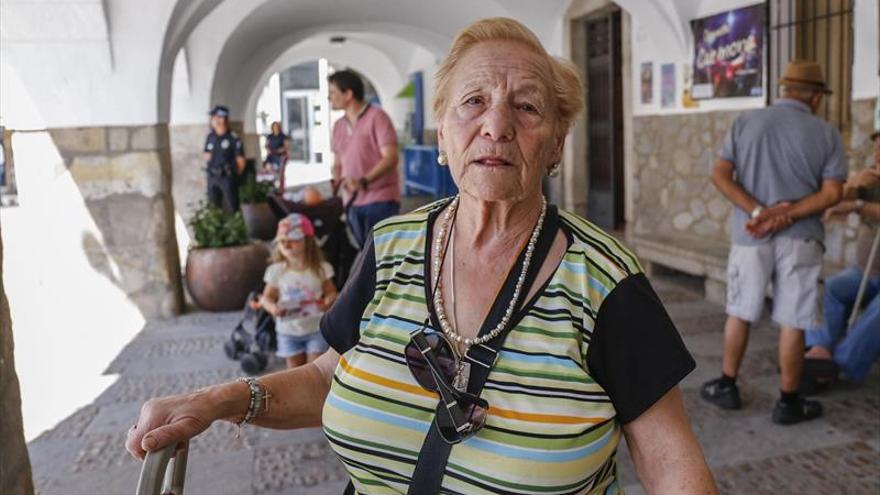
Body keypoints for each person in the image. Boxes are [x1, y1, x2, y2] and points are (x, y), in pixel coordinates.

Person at [127, 18, 717, 494]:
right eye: (474, 102)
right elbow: (329, 378)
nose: (496, 126)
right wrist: (218, 400)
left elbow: (673, 467)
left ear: (557, 141)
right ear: (441, 133)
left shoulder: (605, 281)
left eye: (528, 108)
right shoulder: (393, 246)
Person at [701, 59, 846, 425]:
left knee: (741, 311)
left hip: (750, 237)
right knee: (793, 320)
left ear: (784, 89)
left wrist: (757, 212)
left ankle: (728, 384)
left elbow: (720, 175)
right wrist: (790, 213)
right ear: (815, 97)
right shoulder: (826, 133)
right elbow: (831, 194)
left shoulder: (747, 122)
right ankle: (788, 401)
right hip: (802, 238)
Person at [803, 130, 880, 385]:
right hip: (867, 272)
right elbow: (836, 199)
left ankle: (842, 363)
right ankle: (819, 349)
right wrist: (853, 185)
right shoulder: (872, 180)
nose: (877, 155)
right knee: (829, 289)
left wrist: (858, 206)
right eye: (876, 149)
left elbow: (858, 207)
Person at [328, 69, 400, 246]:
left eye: (332, 92)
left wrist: (364, 181)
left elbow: (391, 158)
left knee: (381, 254)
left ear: (348, 94)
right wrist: (337, 180)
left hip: (380, 199)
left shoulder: (378, 117)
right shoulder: (338, 125)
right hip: (352, 201)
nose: (329, 97)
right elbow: (338, 161)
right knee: (363, 251)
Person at [260, 213, 337, 369]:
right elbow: (266, 298)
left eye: (292, 240)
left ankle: (315, 394)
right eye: (282, 242)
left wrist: (329, 300)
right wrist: (273, 308)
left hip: (316, 328)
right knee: (294, 372)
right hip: (288, 331)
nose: (286, 245)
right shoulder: (276, 271)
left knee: (315, 370)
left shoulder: (321, 269)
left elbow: (331, 292)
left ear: (307, 241)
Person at [204, 105, 245, 212]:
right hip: (212, 176)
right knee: (213, 208)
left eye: (215, 117)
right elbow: (207, 155)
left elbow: (240, 161)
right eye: (213, 118)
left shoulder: (232, 138)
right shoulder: (211, 137)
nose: (213, 120)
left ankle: (235, 227)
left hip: (227, 176)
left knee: (232, 206)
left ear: (222, 119)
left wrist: (234, 176)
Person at [263, 121, 289, 190]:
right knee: (268, 166)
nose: (275, 128)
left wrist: (280, 150)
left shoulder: (283, 136)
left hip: (280, 155)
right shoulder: (269, 136)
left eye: (276, 126)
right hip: (271, 155)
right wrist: (268, 149)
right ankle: (276, 179)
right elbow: (266, 145)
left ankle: (281, 187)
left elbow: (286, 146)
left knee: (281, 170)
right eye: (274, 127)